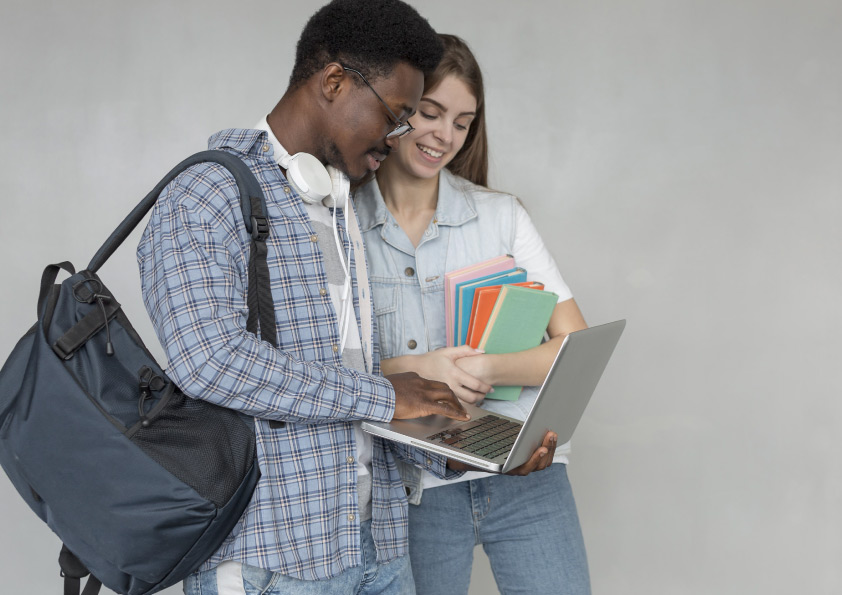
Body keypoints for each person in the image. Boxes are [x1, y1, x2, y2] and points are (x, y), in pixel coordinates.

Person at [136, 3, 475, 594]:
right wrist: (381, 395)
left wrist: (445, 446)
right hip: (274, 560)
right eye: (395, 119)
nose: (397, 143)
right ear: (335, 82)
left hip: (378, 545)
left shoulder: (339, 205)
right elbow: (209, 360)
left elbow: (348, 392)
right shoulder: (204, 194)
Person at [355, 34, 592, 594]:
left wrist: (487, 369)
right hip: (408, 490)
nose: (444, 135)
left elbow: (575, 347)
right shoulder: (341, 224)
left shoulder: (501, 217)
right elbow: (316, 370)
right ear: (398, 108)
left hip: (524, 473)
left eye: (461, 122)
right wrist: (422, 371)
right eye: (430, 113)